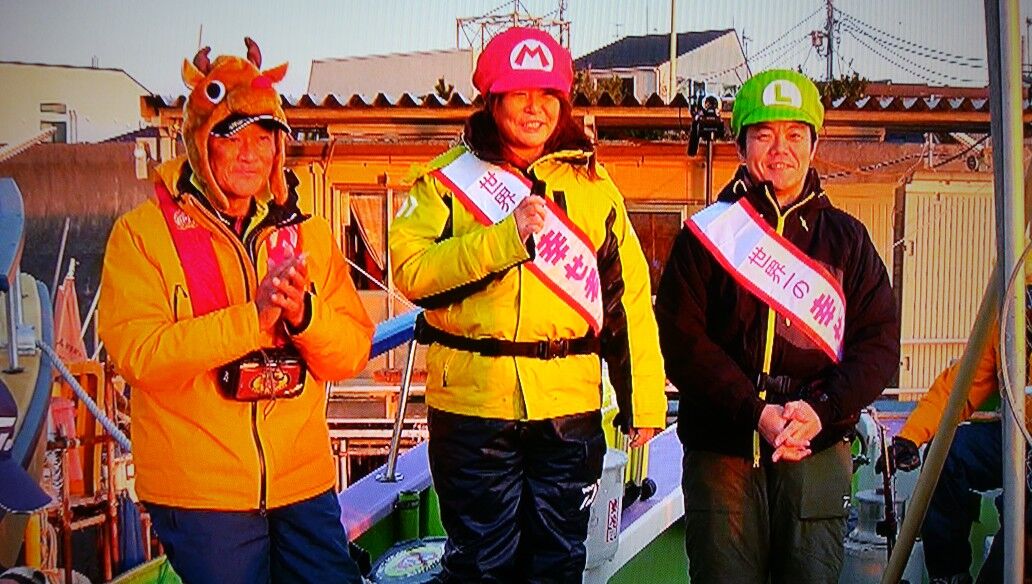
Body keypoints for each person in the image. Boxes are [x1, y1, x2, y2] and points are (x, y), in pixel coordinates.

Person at [388, 27, 668, 582]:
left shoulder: (595, 189)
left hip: (568, 411)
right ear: (492, 101)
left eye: (548, 95)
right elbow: (412, 273)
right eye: (520, 94)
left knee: (558, 561)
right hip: (471, 409)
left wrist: (642, 403)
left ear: (563, 104)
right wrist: (503, 241)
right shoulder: (444, 182)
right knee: (479, 565)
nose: (534, 109)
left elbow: (628, 301)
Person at [98, 38, 373, 584]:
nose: (250, 153)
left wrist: (305, 318)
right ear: (200, 141)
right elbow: (140, 355)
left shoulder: (311, 233)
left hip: (303, 482)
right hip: (200, 494)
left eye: (264, 136)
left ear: (279, 147)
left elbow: (352, 353)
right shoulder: (141, 235)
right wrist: (253, 317)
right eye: (232, 134)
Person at [655, 69, 900, 583]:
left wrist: (822, 409)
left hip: (816, 449)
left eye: (795, 134)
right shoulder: (706, 236)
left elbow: (877, 346)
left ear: (814, 143)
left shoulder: (848, 240)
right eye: (764, 134)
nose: (780, 149)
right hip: (723, 453)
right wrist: (755, 411)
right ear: (741, 145)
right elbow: (683, 344)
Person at [879, 312, 1032, 584]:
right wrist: (910, 436)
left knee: (1013, 548)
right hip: (1019, 435)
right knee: (949, 455)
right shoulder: (1012, 311)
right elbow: (963, 383)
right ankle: (949, 576)